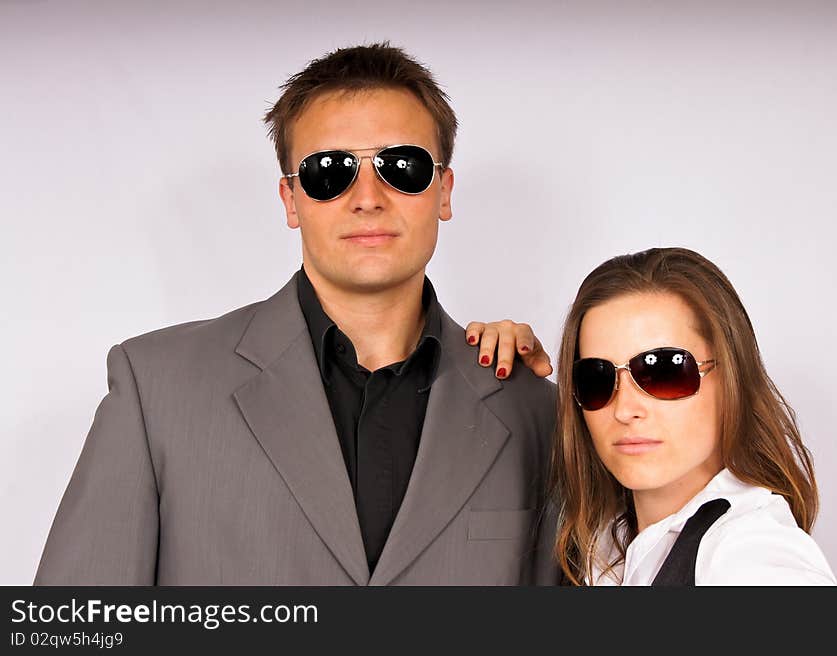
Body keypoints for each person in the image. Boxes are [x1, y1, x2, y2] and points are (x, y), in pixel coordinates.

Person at [35, 43, 559, 585]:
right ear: (290, 199)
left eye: (402, 167)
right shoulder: (157, 389)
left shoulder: (531, 409)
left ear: (443, 191)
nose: (368, 197)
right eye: (329, 171)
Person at [468, 247, 836, 585]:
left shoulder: (751, 555)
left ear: (732, 378)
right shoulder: (602, 545)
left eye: (664, 371)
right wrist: (489, 376)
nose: (625, 409)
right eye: (596, 378)